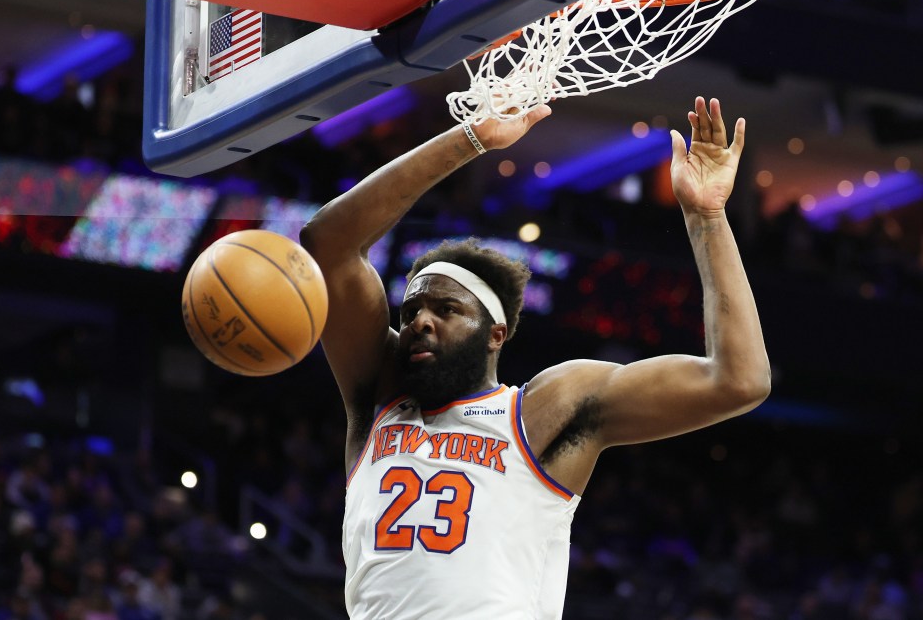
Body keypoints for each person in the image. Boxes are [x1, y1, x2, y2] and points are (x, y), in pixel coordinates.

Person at [299, 97, 770, 619]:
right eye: (411, 310)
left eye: (446, 308)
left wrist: (707, 218)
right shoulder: (379, 395)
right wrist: (469, 139)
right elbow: (328, 245)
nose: (420, 321)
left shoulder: (543, 411)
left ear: (495, 333)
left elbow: (739, 380)